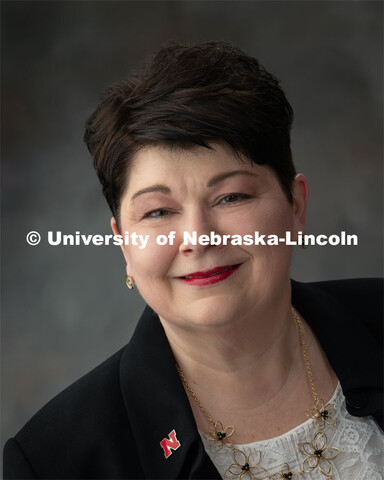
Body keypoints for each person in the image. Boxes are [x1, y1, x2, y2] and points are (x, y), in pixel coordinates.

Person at [4, 41, 383, 480]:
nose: (198, 238)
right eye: (158, 211)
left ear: (295, 205)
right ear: (124, 243)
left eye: (231, 197)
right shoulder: (54, 462)